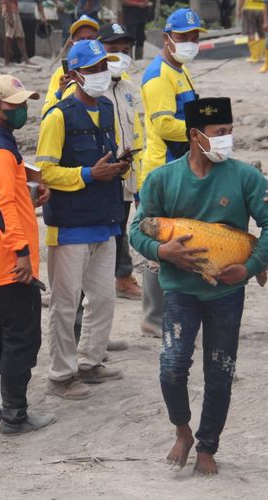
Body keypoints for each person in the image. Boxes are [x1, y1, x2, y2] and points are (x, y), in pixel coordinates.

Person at [130, 97, 268, 475]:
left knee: (220, 369)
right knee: (171, 366)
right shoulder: (163, 179)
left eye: (230, 132)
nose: (227, 140)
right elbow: (137, 229)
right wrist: (162, 250)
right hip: (180, 290)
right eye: (219, 133)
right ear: (195, 135)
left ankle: (207, 446)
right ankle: (182, 430)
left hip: (227, 292)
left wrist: (249, 267)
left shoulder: (246, 177)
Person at [37, 40, 130, 400]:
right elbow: (44, 172)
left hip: (104, 219)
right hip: (70, 224)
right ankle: (61, 375)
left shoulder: (106, 108)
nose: (100, 74)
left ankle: (90, 361)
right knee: (65, 302)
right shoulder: (57, 116)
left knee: (103, 298)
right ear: (74, 75)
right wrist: (90, 174)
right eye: (92, 69)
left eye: (102, 67)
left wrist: (118, 166)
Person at [0, 75, 56, 434]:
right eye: (14, 105)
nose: (21, 110)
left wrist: (30, 194)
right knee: (22, 338)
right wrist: (21, 254)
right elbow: (3, 207)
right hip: (8, 262)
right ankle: (15, 414)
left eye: (24, 104)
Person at [140, 7, 204, 338]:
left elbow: (190, 111)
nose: (191, 43)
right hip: (162, 168)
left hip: (180, 164)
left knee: (179, 237)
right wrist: (200, 133)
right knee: (160, 243)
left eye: (195, 37)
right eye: (184, 38)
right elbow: (164, 123)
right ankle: (153, 317)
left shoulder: (179, 70)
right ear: (167, 38)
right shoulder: (158, 75)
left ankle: (175, 308)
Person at [100, 23, 145, 301]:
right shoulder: (89, 89)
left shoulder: (128, 87)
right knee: (103, 237)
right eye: (112, 50)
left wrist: (139, 183)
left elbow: (137, 137)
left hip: (127, 177)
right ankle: (114, 279)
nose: (120, 56)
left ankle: (120, 278)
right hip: (101, 176)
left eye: (124, 51)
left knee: (120, 228)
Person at [41, 14, 101, 116]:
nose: (85, 42)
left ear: (99, 40)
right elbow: (46, 113)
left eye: (90, 38)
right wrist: (60, 91)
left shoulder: (108, 70)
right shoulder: (61, 73)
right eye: (80, 39)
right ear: (73, 42)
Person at [1, 0, 31, 65]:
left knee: (20, 36)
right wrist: (10, 17)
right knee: (9, 36)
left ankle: (26, 60)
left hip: (14, 11)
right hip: (9, 11)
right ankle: (6, 62)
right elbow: (7, 2)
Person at [238, 0, 266, 65]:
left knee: (250, 33)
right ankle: (262, 56)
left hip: (249, 9)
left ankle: (254, 57)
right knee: (262, 33)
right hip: (262, 9)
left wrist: (239, 10)